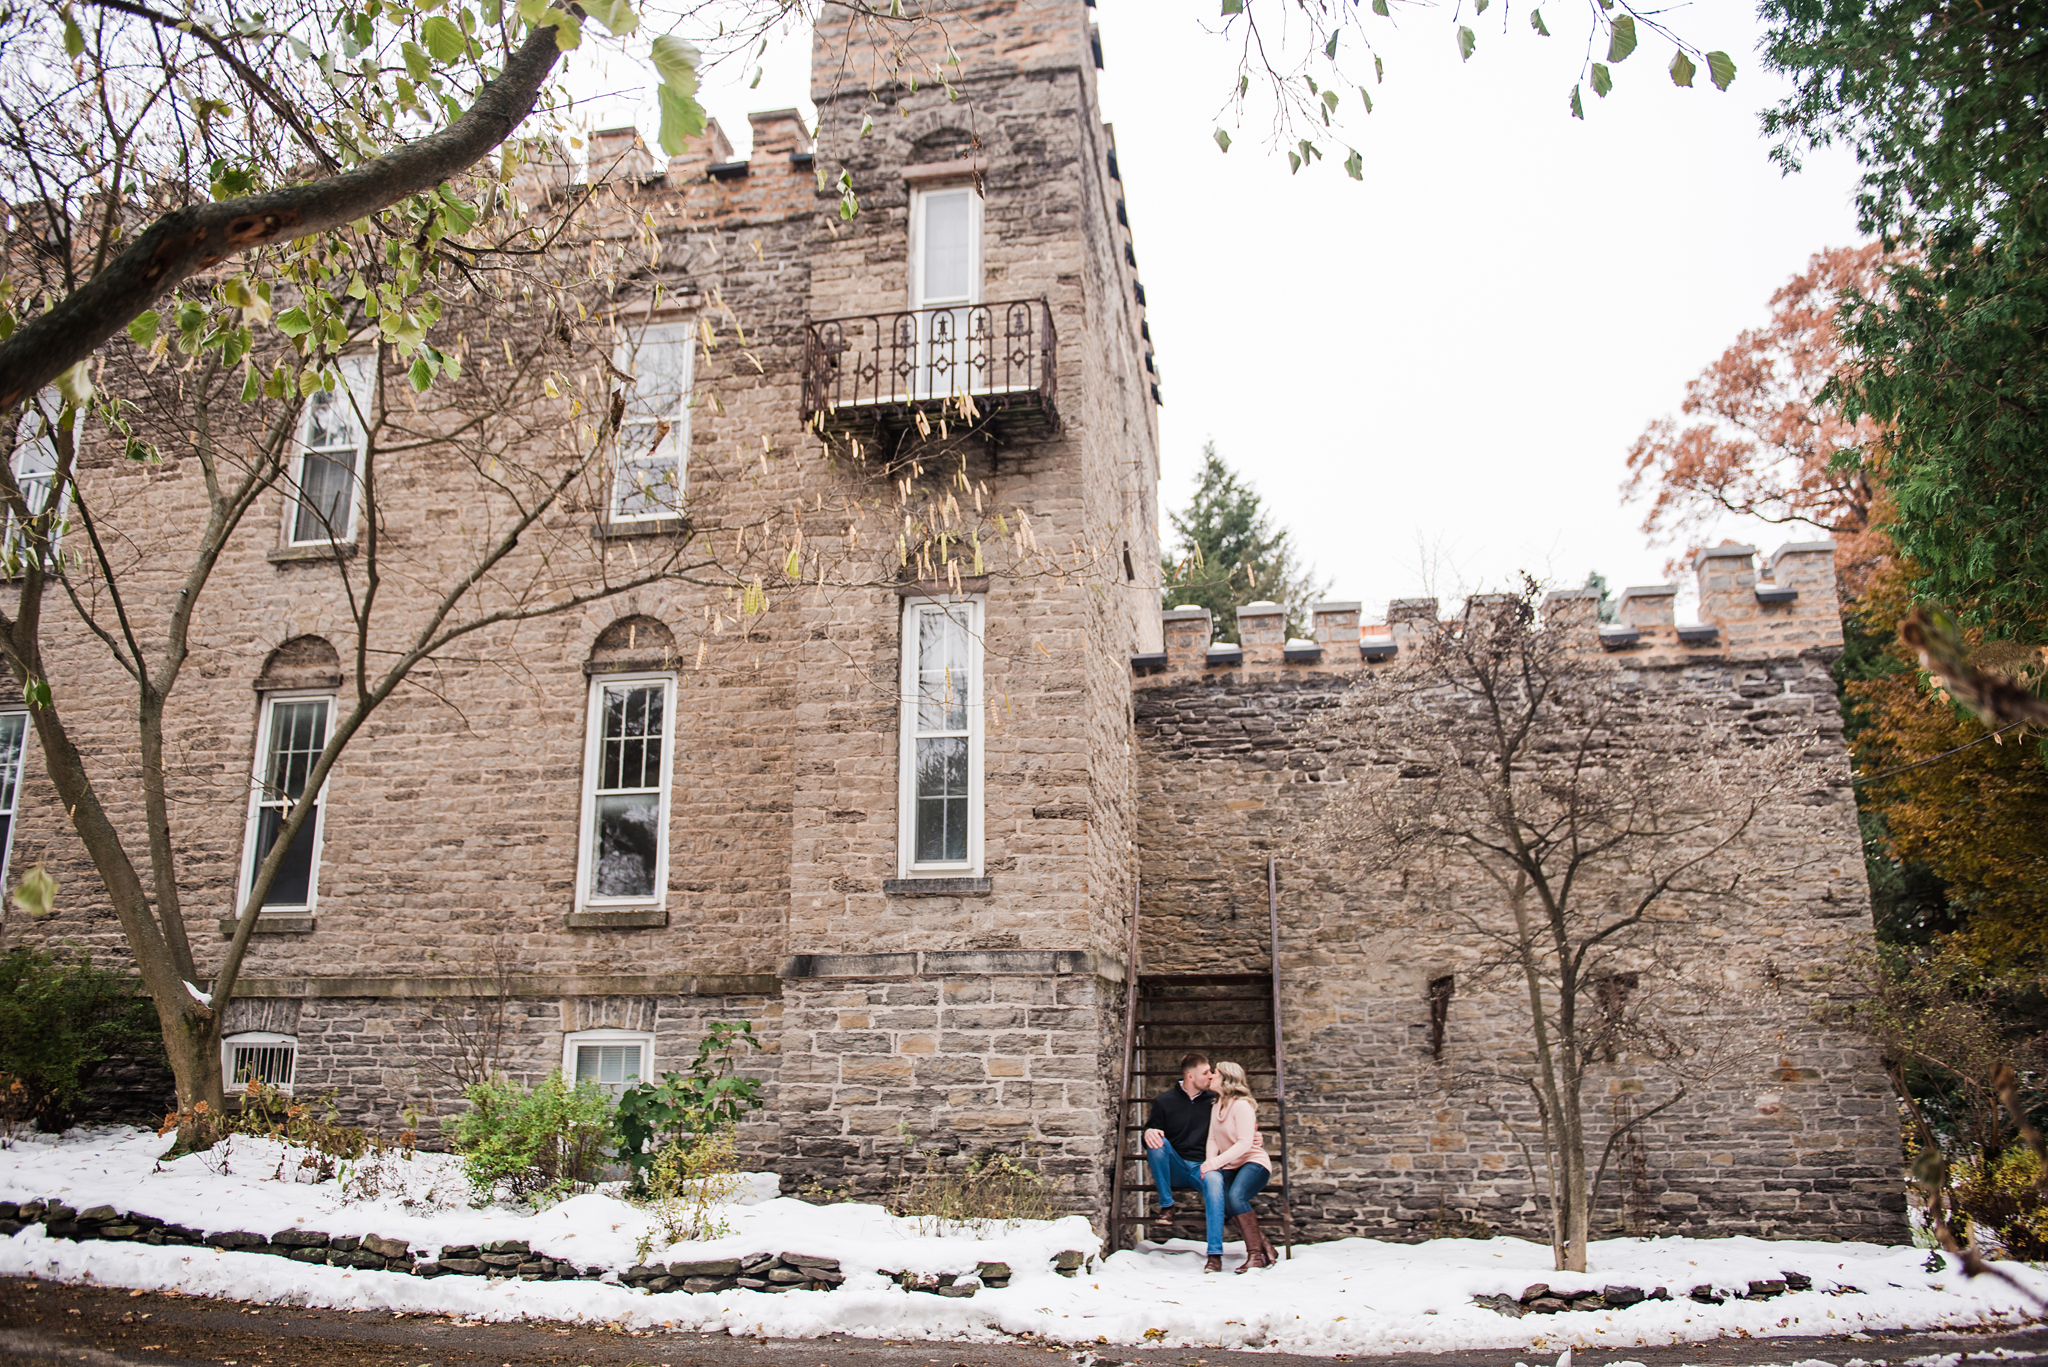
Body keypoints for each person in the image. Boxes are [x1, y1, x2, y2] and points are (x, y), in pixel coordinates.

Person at [1143, 1051, 1228, 1271]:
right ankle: (1167, 1205)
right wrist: (1148, 1132)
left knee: (1216, 1183)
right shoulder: (1164, 1101)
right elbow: (1153, 1126)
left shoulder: (1214, 1100)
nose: (1210, 1076)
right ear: (1190, 1076)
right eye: (1206, 1072)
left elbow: (1234, 1122)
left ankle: (1215, 1255)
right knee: (1156, 1141)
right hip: (1177, 1166)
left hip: (1204, 1166)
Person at [1201, 1060, 1278, 1272]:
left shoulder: (1242, 1106)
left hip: (1253, 1162)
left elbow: (1245, 1143)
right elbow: (1212, 1138)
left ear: (1225, 1078)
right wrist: (1210, 1164)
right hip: (1230, 1165)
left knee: (1236, 1197)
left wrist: (1216, 1162)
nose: (1210, 1076)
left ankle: (1255, 1256)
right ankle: (1264, 1245)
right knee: (1222, 1200)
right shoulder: (1216, 1104)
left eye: (1214, 1073)